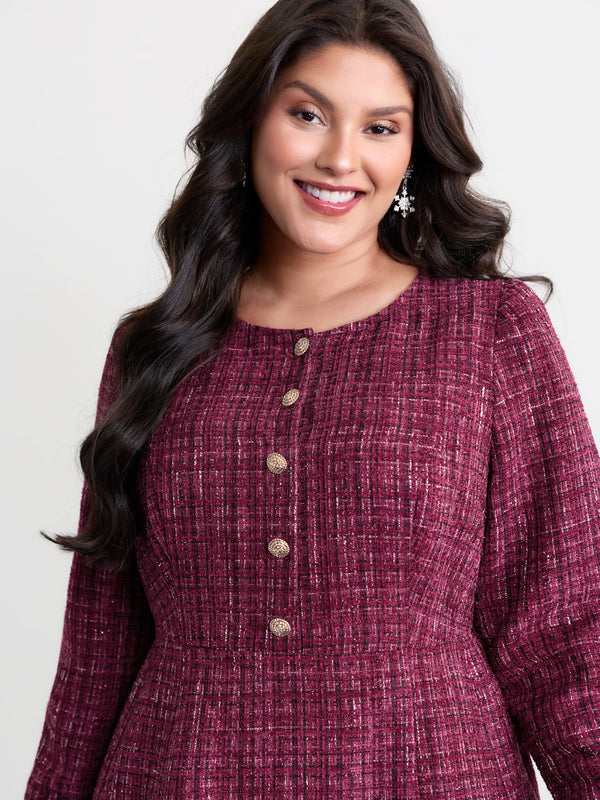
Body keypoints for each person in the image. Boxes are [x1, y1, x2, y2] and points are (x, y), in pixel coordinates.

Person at [25, 0, 600, 797]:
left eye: (381, 127)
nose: (340, 158)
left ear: (413, 153)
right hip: (181, 774)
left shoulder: (489, 331)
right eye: (308, 115)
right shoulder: (154, 348)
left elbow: (567, 630)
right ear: (250, 123)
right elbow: (97, 654)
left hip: (429, 774)